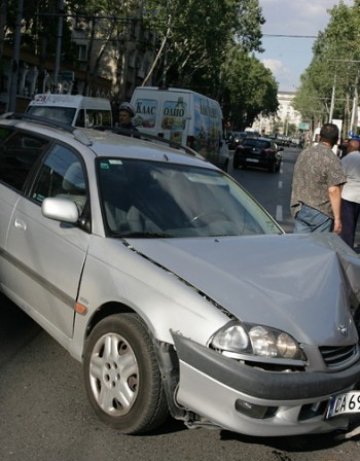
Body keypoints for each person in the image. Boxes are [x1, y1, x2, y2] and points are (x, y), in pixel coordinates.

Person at [290, 123, 346, 234]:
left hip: (299, 207)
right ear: (336, 140)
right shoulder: (332, 159)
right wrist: (338, 219)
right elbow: (333, 190)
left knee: (300, 247)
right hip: (321, 212)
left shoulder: (304, 153)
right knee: (318, 248)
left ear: (319, 136)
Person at [339, 138, 360, 248]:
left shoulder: (346, 160)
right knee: (354, 222)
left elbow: (339, 180)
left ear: (350, 148)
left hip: (347, 197)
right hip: (358, 198)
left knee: (347, 226)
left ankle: (346, 249)